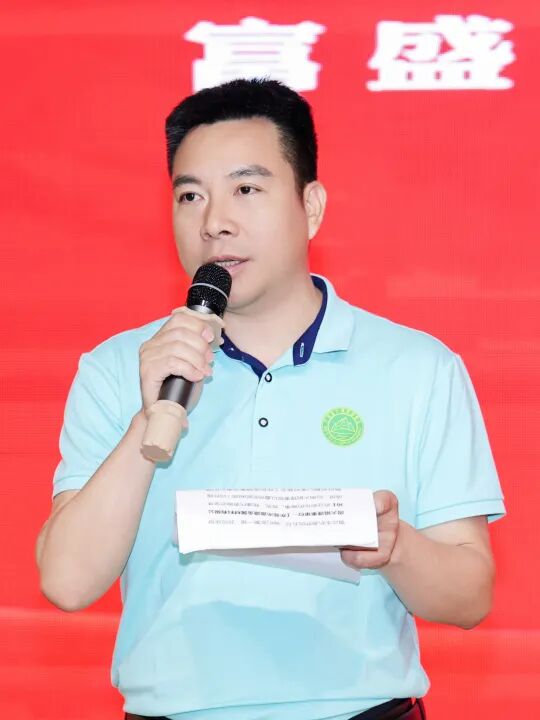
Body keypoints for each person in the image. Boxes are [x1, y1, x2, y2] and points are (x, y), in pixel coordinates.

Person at [36, 78, 506, 720]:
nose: (214, 222)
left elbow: (471, 597)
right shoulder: (118, 366)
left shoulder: (419, 367)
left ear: (310, 206)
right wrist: (150, 416)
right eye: (190, 195)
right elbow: (66, 583)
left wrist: (395, 546)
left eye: (246, 190)